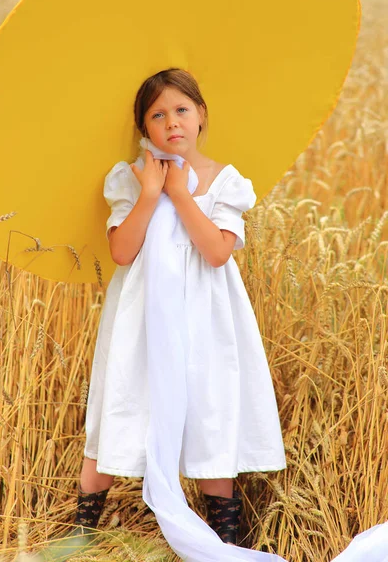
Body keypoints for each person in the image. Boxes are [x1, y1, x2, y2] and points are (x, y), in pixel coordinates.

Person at [72, 67, 286, 548]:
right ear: (142, 127)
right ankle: (81, 534)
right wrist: (151, 193)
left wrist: (180, 195)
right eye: (158, 114)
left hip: (206, 317)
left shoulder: (224, 181)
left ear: (202, 115)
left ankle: (223, 537)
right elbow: (123, 252)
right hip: (141, 319)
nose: (172, 122)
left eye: (182, 109)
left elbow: (216, 251)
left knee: (209, 406)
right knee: (124, 398)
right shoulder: (129, 179)